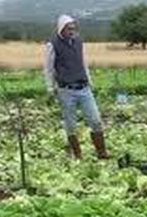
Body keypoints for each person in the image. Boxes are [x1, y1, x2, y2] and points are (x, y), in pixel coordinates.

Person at [44, 14, 109, 160]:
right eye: (68, 29)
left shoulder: (79, 42)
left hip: (84, 88)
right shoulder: (53, 45)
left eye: (73, 28)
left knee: (96, 120)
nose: (72, 31)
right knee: (71, 125)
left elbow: (83, 63)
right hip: (66, 90)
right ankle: (77, 154)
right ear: (61, 29)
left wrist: (89, 80)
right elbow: (48, 69)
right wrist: (50, 88)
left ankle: (102, 152)